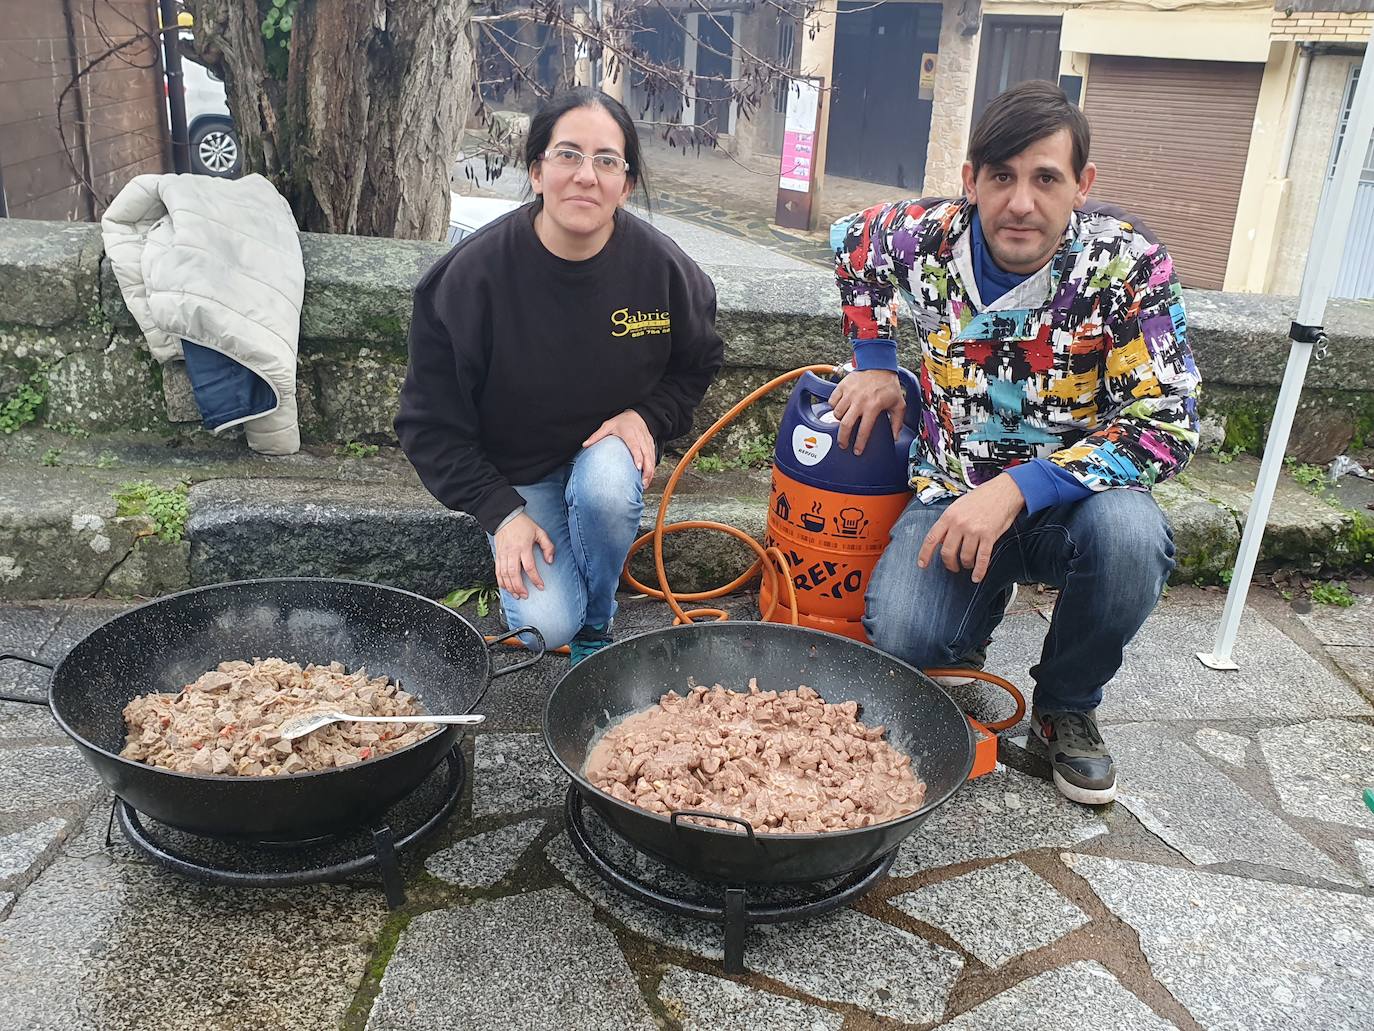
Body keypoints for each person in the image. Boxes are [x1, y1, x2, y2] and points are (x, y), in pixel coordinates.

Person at [828, 80, 1200, 804]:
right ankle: (963, 641)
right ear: (971, 181)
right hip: (952, 492)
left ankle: (1067, 705)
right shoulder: (923, 240)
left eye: (1045, 179)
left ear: (1082, 186)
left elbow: (1168, 423)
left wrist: (1022, 487)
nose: (1020, 203)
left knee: (1133, 537)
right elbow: (851, 246)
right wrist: (874, 362)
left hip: (1076, 506)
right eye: (1000, 177)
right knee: (902, 637)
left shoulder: (1127, 268)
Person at [396, 89, 725, 664]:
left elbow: (697, 364)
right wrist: (502, 515)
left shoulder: (665, 271)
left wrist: (646, 416)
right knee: (544, 629)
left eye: (606, 160)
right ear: (537, 171)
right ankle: (557, 573)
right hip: (516, 474)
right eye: (568, 155)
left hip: (606, 456)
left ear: (625, 183)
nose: (585, 176)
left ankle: (598, 626)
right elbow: (428, 426)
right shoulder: (470, 280)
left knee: (602, 491)